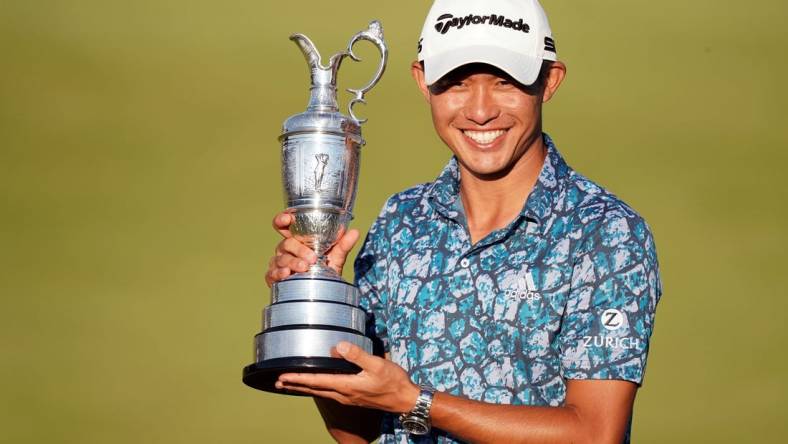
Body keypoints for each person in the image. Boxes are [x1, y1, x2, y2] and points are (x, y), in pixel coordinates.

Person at [265, 0, 662, 442]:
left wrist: (414, 401)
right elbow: (362, 432)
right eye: (455, 83)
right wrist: (322, 303)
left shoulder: (605, 233)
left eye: (505, 82)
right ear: (423, 82)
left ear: (549, 81)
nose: (479, 110)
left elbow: (594, 433)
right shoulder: (401, 220)